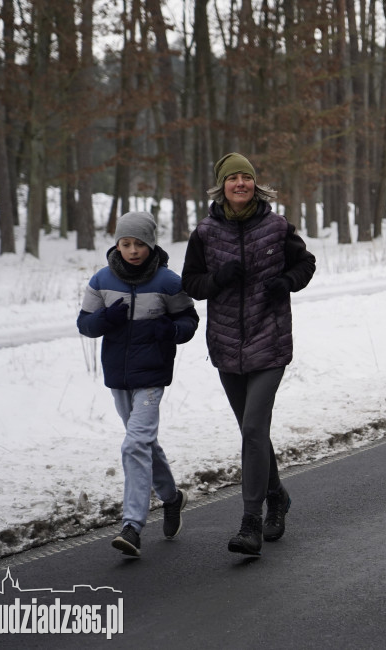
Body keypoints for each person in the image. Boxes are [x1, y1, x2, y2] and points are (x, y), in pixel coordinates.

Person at [182, 152, 316, 557]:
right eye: (232, 178)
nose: (240, 183)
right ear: (221, 186)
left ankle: (250, 521)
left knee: (253, 429)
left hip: (269, 341)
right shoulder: (205, 233)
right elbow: (191, 282)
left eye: (246, 178)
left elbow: (306, 264)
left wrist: (287, 281)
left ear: (255, 185)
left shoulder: (277, 227)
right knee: (251, 432)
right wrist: (217, 279)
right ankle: (278, 496)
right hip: (226, 346)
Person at [77, 212, 199, 558]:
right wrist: (105, 318)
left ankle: (132, 526)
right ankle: (172, 498)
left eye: (139, 244)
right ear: (117, 244)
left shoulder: (167, 282)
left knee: (133, 445)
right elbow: (85, 325)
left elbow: (189, 320)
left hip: (152, 375)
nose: (132, 250)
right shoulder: (101, 280)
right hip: (118, 376)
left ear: (151, 245)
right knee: (144, 443)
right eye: (126, 243)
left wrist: (171, 331)